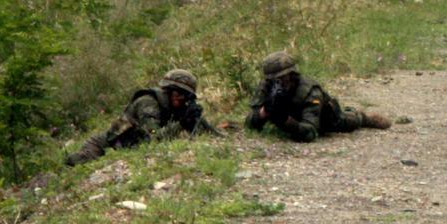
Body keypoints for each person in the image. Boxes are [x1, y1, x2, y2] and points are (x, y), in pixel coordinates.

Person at [67, 69, 219, 165]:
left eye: (186, 97)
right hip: (102, 147)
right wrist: (182, 123)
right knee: (76, 165)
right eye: (180, 94)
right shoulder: (148, 104)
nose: (182, 99)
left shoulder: (175, 106)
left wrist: (195, 119)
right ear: (170, 91)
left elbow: (210, 134)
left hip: (127, 148)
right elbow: (152, 140)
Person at [246, 51, 392, 142]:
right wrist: (264, 113)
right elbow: (250, 123)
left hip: (326, 118)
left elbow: (311, 133)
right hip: (295, 117)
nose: (278, 84)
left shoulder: (310, 92)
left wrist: (286, 121)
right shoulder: (267, 87)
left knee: (346, 122)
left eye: (282, 79)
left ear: (292, 75)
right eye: (273, 80)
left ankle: (363, 117)